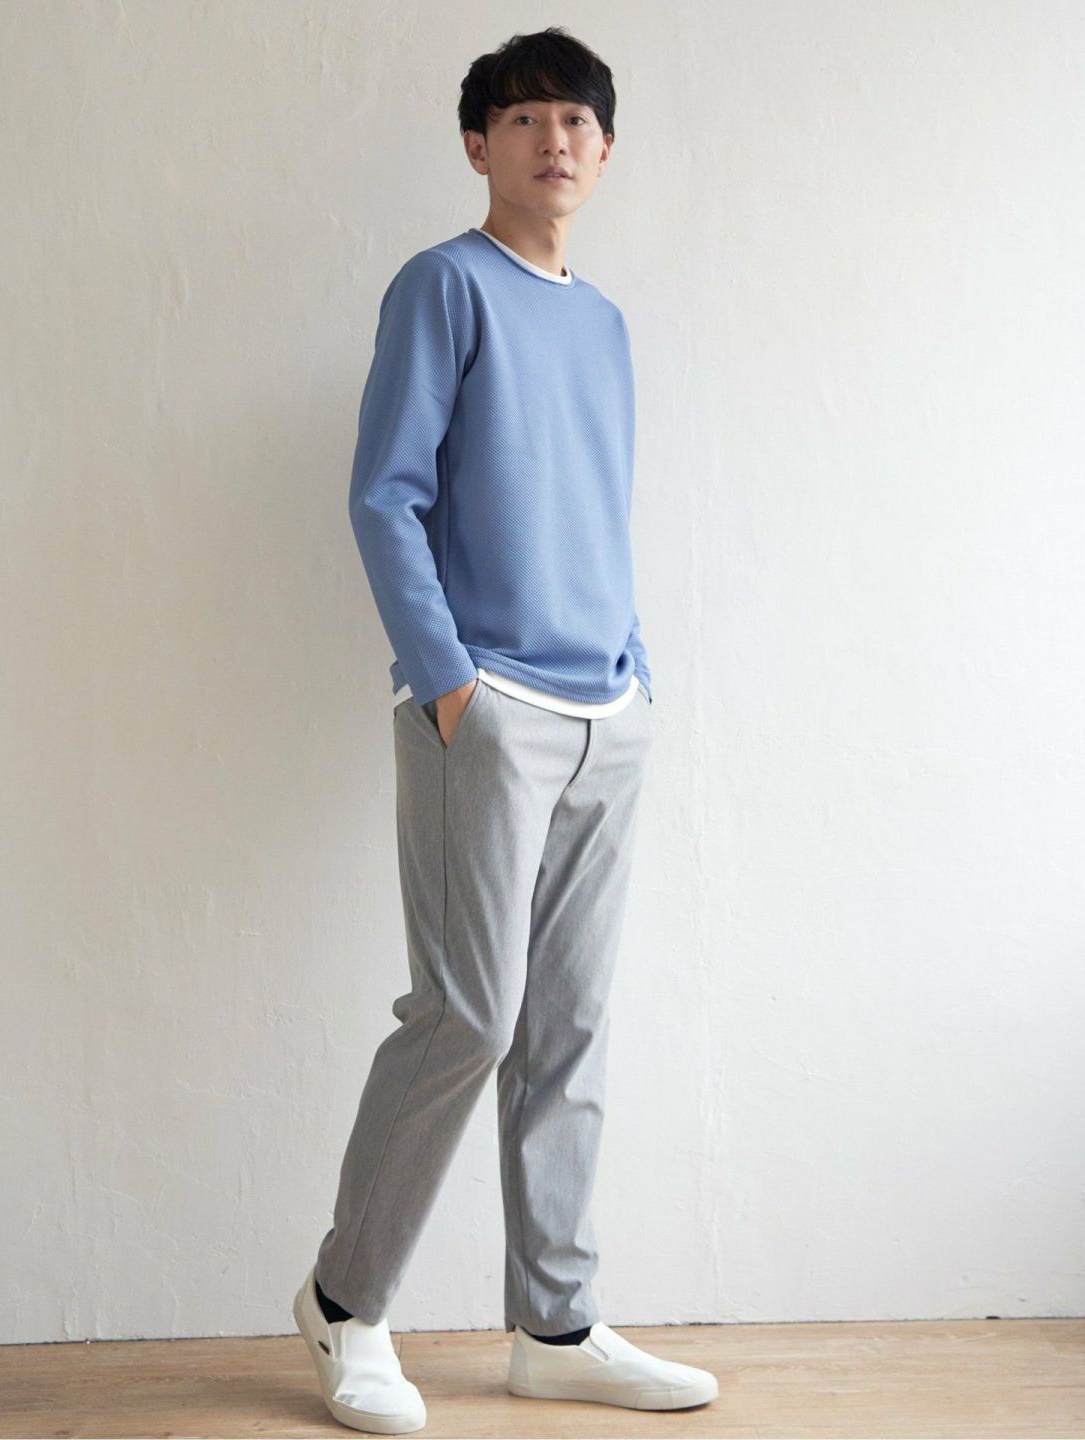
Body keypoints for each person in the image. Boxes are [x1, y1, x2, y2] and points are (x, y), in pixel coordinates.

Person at [292, 27, 719, 1434]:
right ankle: (345, 1302)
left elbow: (596, 509)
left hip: (608, 711)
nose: (555, 141)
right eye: (526, 118)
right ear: (479, 144)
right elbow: (385, 493)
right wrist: (448, 685)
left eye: (578, 121)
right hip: (487, 707)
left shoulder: (605, 325)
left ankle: (557, 1324)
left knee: (568, 1027)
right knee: (468, 1016)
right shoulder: (445, 284)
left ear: (607, 148)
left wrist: (633, 670)